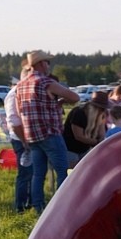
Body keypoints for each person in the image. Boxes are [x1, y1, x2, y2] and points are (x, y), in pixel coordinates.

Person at [14, 50, 80, 215]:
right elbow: (74, 97)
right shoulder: (45, 82)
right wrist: (62, 100)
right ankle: (62, 207)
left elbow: (19, 109)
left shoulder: (20, 86)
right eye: (47, 62)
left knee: (38, 173)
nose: (48, 65)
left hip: (32, 135)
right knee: (62, 170)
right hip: (50, 132)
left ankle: (38, 207)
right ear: (41, 64)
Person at [3, 65, 33, 212]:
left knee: (33, 172)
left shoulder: (25, 92)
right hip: (21, 139)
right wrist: (24, 142)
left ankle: (31, 201)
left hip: (30, 138)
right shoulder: (14, 94)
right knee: (25, 173)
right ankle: (20, 206)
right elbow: (14, 122)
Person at [63, 91, 108, 166]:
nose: (103, 111)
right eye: (102, 109)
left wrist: (101, 139)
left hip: (85, 148)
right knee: (74, 171)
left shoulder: (101, 115)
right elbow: (78, 136)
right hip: (70, 148)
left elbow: (101, 134)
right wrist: (97, 142)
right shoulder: (79, 113)